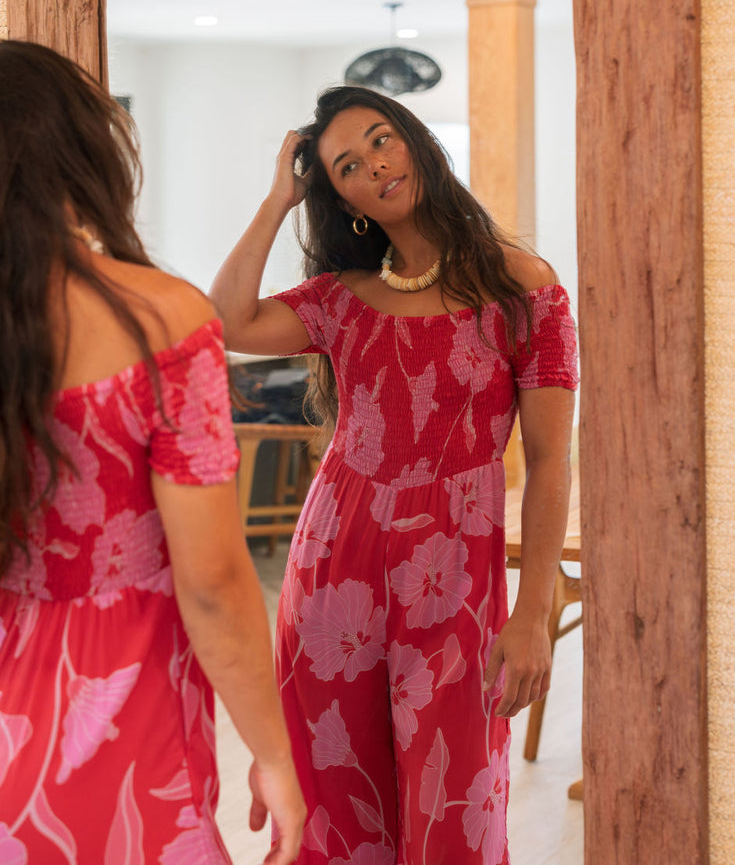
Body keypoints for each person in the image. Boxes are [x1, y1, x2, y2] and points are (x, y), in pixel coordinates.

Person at [210, 85, 578, 865]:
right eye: (346, 165)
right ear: (337, 195)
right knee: (334, 804)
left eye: (382, 140)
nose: (374, 165)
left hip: (457, 578)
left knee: (455, 807)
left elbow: (549, 460)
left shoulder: (525, 288)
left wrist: (534, 609)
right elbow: (227, 321)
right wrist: (279, 198)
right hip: (332, 569)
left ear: (415, 140)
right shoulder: (344, 299)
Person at [0, 41, 305, 864]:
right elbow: (211, 583)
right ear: (83, 152)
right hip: (116, 703)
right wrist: (274, 755)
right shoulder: (162, 318)